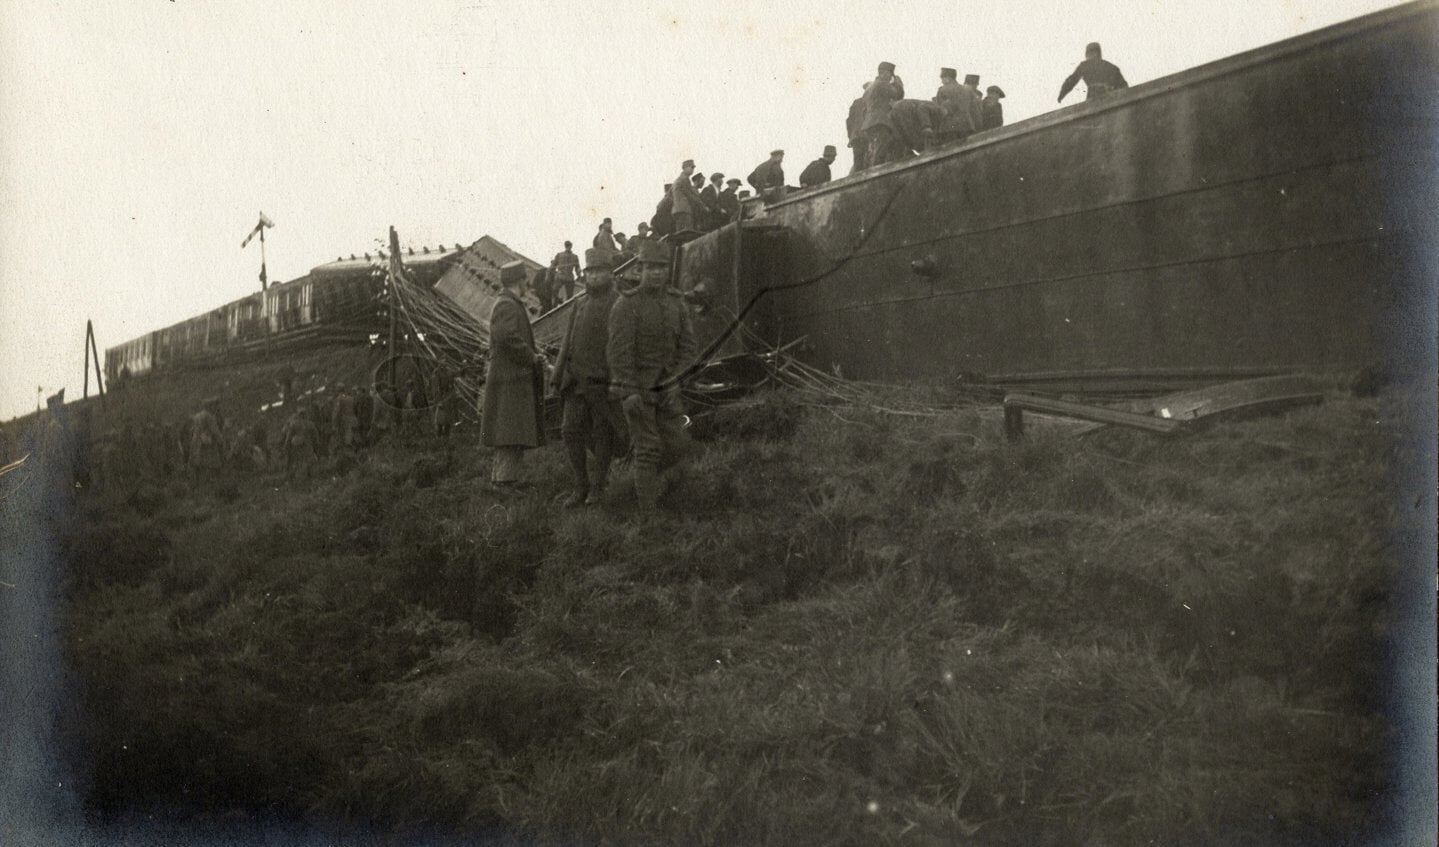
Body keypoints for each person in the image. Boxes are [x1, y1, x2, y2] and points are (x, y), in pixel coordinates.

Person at [607, 240, 695, 513]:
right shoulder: (626, 305)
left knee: (680, 444)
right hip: (637, 391)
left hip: (667, 391)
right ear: (640, 270)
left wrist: (676, 380)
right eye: (650, 268)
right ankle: (648, 518)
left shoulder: (676, 303)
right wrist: (629, 391)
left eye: (661, 268)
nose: (656, 273)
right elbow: (618, 354)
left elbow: (689, 348)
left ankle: (647, 487)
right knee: (648, 450)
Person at [552, 248, 627, 507]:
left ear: (610, 274)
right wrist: (557, 374)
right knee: (570, 431)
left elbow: (622, 346)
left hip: (602, 381)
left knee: (602, 433)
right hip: (575, 381)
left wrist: (617, 380)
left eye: (600, 272)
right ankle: (580, 486)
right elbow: (567, 341)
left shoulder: (619, 302)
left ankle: (597, 488)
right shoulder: (579, 303)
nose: (594, 277)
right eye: (591, 272)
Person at [480, 260, 546, 486]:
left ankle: (504, 481)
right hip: (510, 382)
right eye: (525, 280)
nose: (527, 284)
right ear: (520, 281)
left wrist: (533, 353)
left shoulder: (508, 302)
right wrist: (531, 357)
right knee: (509, 434)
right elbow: (507, 336)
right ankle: (504, 484)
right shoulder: (507, 304)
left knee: (511, 433)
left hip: (511, 381)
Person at [860, 61, 906, 167]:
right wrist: (898, 84)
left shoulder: (869, 88)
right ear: (884, 73)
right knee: (882, 146)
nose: (890, 77)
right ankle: (877, 171)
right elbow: (898, 95)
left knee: (873, 149)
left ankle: (871, 169)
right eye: (890, 74)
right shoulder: (882, 84)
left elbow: (863, 109)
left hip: (868, 123)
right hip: (880, 121)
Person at [1059, 42, 1128, 102]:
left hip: (1092, 97)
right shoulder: (1111, 67)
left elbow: (1071, 81)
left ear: (1092, 53)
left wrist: (1061, 95)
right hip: (1109, 98)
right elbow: (1123, 86)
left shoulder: (1085, 65)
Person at [934, 67, 982, 144]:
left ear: (948, 78)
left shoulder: (942, 90)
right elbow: (975, 112)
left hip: (948, 129)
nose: (941, 81)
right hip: (967, 127)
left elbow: (939, 111)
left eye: (942, 78)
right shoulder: (968, 90)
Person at [671, 160, 706, 233]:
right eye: (691, 167)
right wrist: (703, 206)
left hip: (677, 211)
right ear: (685, 168)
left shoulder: (678, 180)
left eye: (693, 167)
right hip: (685, 210)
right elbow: (691, 195)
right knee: (687, 233)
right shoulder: (684, 179)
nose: (693, 169)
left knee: (680, 234)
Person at [846, 82, 870, 173]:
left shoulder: (856, 102)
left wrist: (850, 137)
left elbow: (849, 121)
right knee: (867, 161)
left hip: (856, 137)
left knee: (858, 163)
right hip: (866, 135)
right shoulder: (872, 101)